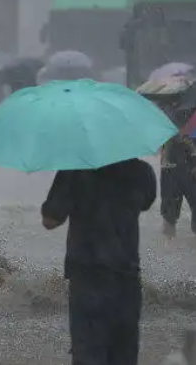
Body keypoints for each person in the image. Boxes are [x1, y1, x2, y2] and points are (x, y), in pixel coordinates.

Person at [41, 158, 156, 365]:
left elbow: (50, 219)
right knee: (124, 356)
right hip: (127, 282)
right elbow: (147, 202)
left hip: (88, 281)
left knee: (88, 356)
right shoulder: (142, 170)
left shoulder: (75, 170)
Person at [158, 105, 196, 238]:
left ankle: (169, 230)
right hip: (174, 160)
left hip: (183, 159)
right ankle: (169, 229)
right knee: (170, 199)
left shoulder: (165, 108)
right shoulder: (166, 111)